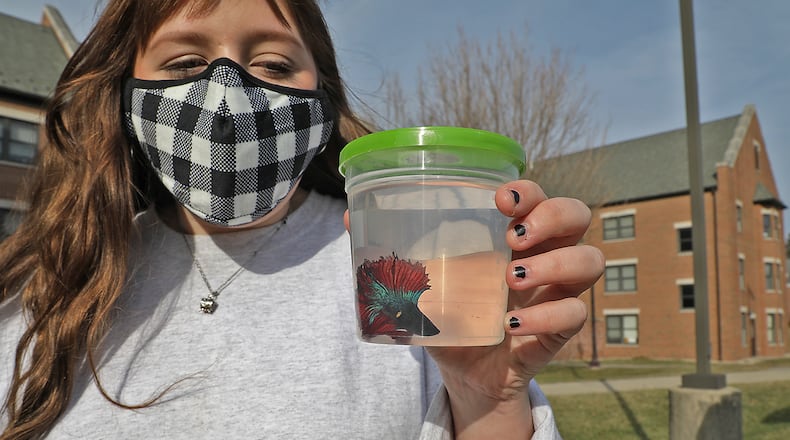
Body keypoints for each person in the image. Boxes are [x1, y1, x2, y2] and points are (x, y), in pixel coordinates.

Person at [0, 0, 604, 438]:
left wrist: (489, 400)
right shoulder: (51, 284)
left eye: (273, 65)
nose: (228, 92)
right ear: (124, 94)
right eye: (185, 64)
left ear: (322, 98)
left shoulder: (404, 272)